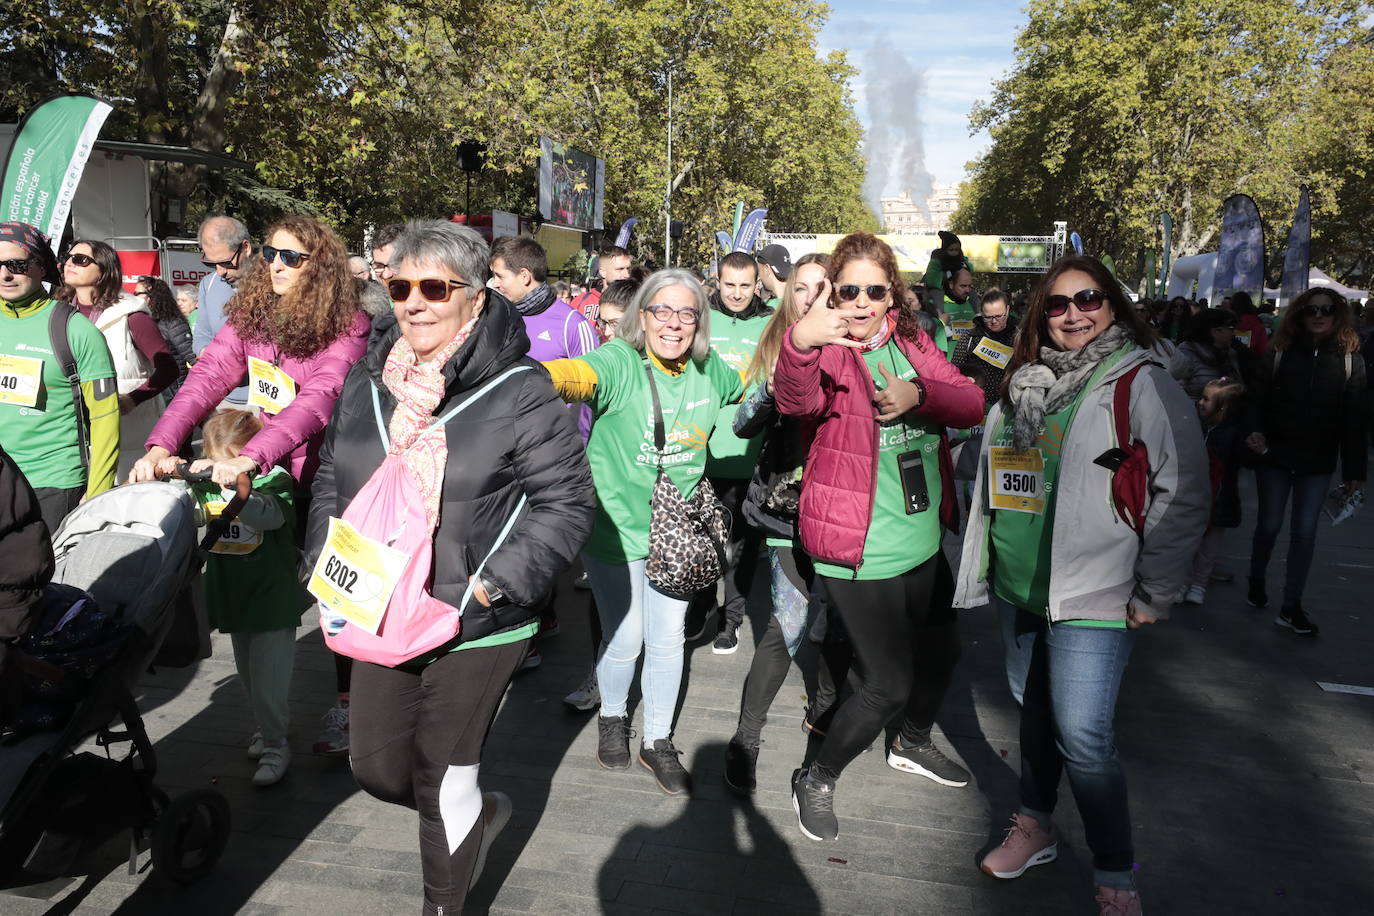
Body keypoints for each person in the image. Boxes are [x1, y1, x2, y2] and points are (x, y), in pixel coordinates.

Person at [308, 220, 594, 913]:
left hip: (477, 619)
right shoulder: (366, 380)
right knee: (376, 769)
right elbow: (330, 478)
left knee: (442, 775)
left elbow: (566, 503)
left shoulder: (520, 389)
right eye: (399, 285)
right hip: (381, 607)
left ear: (474, 296)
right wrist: (322, 557)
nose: (414, 302)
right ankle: (483, 817)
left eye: (435, 287)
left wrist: (494, 589)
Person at [953, 255, 1208, 916]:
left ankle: (1116, 873)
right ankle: (1033, 824)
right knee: (1035, 714)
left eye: (1089, 299)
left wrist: (1155, 592)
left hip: (1095, 589)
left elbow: (1182, 494)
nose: (1073, 314)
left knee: (1085, 738)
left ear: (1114, 306)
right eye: (1059, 304)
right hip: (1019, 583)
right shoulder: (1022, 379)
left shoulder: (1140, 384)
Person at [131, 215, 370, 754]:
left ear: (322, 268)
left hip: (329, 475)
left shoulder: (349, 326)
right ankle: (272, 721)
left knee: (335, 598)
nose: (277, 265)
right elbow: (207, 376)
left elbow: (318, 400)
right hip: (265, 470)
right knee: (263, 594)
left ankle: (350, 707)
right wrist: (161, 442)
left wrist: (251, 458)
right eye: (269, 253)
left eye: (292, 257)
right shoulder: (253, 315)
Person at [774, 232, 982, 842]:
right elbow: (795, 402)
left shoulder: (913, 339)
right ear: (832, 293)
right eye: (849, 290)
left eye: (874, 289)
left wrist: (923, 393)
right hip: (856, 549)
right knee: (886, 682)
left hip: (921, 539)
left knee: (942, 656)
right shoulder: (827, 348)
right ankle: (816, 775)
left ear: (892, 291)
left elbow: (970, 401)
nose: (861, 303)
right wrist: (800, 343)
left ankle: (911, 744)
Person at [542, 269, 745, 795]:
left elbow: (746, 393)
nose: (673, 323)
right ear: (642, 316)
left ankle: (657, 740)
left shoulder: (709, 369)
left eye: (686, 312)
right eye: (661, 310)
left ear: (700, 320)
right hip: (616, 529)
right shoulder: (620, 362)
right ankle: (613, 717)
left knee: (668, 637)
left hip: (675, 532)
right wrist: (532, 377)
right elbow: (573, 375)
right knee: (626, 636)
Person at [722, 252, 844, 793]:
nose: (813, 297)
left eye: (824, 287)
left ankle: (823, 712)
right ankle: (745, 740)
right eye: (802, 288)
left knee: (842, 624)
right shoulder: (776, 344)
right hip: (786, 509)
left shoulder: (858, 349)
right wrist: (773, 388)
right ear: (789, 293)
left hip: (849, 514)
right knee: (787, 627)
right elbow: (744, 421)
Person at [187, 410, 301, 785]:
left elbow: (267, 516)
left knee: (269, 683)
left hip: (271, 601)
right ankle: (266, 729)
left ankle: (275, 743)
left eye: (232, 461)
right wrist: (181, 476)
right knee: (250, 678)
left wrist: (231, 485)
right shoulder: (208, 482)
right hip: (233, 597)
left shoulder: (275, 481)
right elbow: (193, 514)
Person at [1245, 288, 1367, 635]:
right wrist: (1253, 430)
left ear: (1337, 314)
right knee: (1269, 525)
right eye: (1311, 309)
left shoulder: (1349, 359)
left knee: (1304, 533)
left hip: (1318, 460)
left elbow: (1355, 418)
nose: (1318, 315)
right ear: (1299, 314)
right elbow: (1255, 398)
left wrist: (1356, 471)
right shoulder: (1280, 352)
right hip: (1275, 455)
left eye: (1326, 309)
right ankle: (1256, 576)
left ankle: (1291, 604)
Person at [0, 222, 119, 533]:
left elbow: (106, 416)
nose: (5, 275)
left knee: (47, 581)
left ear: (42, 267)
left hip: (52, 484)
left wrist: (98, 492)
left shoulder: (75, 330)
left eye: (16, 265)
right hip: (2, 481)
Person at [687, 251, 774, 654]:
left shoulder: (772, 322)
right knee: (703, 534)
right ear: (717, 281)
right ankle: (703, 602)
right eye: (729, 284)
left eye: (745, 284)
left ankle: (732, 618)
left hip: (751, 452)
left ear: (757, 283)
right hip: (702, 450)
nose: (737, 293)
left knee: (742, 543)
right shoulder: (699, 319)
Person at [57, 239, 179, 480]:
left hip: (129, 434)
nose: (70, 263)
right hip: (72, 433)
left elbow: (169, 369)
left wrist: (133, 399)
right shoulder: (59, 313)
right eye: (68, 258)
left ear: (104, 269)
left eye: (80, 260)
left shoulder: (131, 315)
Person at [1181, 378, 1248, 605]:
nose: (1200, 402)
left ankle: (1198, 584)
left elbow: (1241, 461)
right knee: (1189, 544)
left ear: (1223, 408)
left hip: (1218, 501)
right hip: (1196, 498)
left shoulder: (1232, 435)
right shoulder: (1197, 426)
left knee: (1207, 549)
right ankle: (1184, 582)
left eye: (1206, 399)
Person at [193, 215, 255, 406]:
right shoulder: (208, 284)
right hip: (222, 398)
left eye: (226, 263)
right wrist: (206, 352)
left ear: (246, 248)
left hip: (265, 403)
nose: (220, 271)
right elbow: (201, 333)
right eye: (211, 264)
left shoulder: (276, 282)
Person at [951, 288, 1019, 409]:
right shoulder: (969, 338)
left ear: (1008, 310)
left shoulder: (1020, 338)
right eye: (988, 317)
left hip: (1008, 408)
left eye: (999, 316)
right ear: (981, 313)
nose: (994, 321)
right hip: (975, 406)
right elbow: (954, 372)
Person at [135, 276, 197, 401]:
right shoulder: (143, 321)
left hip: (173, 389)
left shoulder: (172, 322)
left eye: (137, 293)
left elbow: (192, 357)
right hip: (154, 387)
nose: (134, 296)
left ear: (152, 296)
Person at [1169, 309, 1250, 400]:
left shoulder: (1230, 355)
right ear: (1215, 331)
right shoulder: (1186, 355)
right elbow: (1175, 393)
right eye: (1230, 328)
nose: (1233, 333)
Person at [922, 230, 975, 325]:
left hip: (954, 286)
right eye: (951, 250)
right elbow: (931, 279)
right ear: (945, 250)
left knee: (973, 293)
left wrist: (963, 269)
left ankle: (979, 313)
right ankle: (941, 319)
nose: (955, 253)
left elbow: (969, 269)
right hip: (939, 287)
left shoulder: (962, 260)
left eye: (957, 250)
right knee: (936, 294)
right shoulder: (937, 262)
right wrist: (946, 276)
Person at [570, 244, 632, 323]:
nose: (627, 275)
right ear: (603, 272)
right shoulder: (580, 302)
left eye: (628, 269)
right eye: (620, 269)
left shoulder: (636, 302)